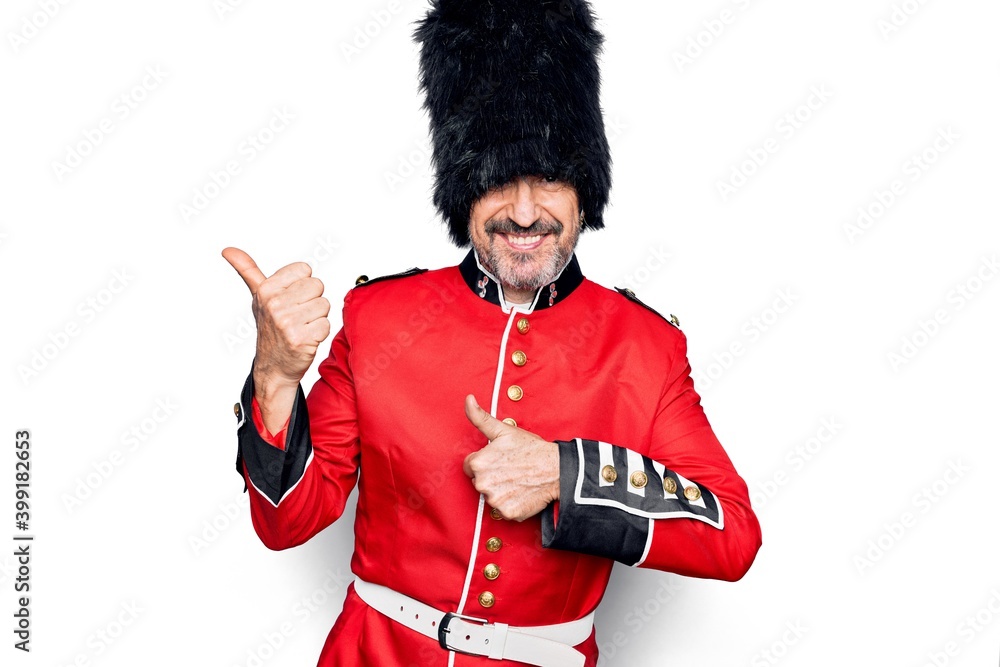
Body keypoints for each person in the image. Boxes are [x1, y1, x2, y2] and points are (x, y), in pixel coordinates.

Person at [224, 1, 762, 665]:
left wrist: (567, 473)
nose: (527, 211)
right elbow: (287, 521)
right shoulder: (380, 317)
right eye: (500, 179)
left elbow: (732, 532)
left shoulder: (646, 348)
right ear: (463, 190)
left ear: (585, 191)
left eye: (552, 179)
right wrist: (275, 377)